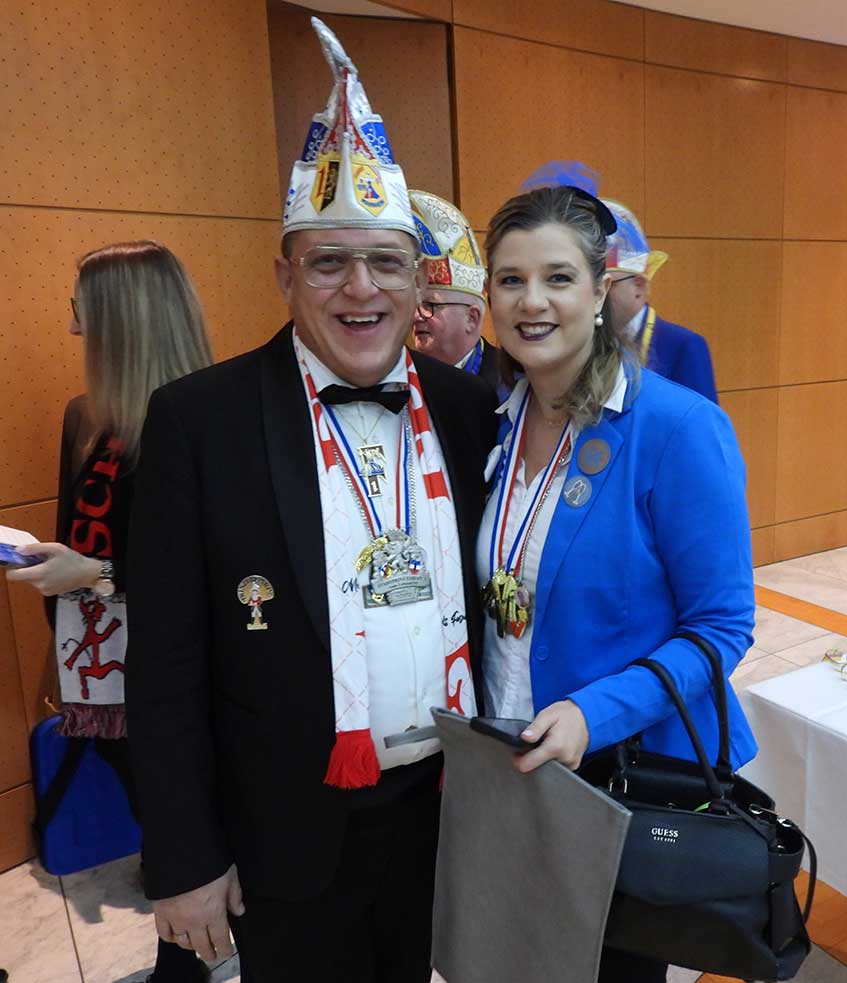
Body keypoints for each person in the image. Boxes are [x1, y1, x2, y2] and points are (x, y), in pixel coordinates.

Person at [124, 20, 496, 983]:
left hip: (445, 810)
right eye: (329, 261)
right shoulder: (197, 421)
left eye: (386, 261)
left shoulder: (469, 410)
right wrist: (183, 858)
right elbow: (162, 665)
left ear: (419, 283)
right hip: (285, 832)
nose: (359, 288)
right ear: (285, 276)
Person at [477, 184, 756, 983]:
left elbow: (723, 626)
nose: (532, 301)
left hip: (621, 771)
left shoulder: (676, 428)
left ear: (602, 290)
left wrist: (590, 713)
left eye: (558, 277)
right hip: (512, 756)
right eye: (511, 279)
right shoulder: (495, 426)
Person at [6, 240, 214, 983]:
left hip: (166, 666)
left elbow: (206, 570)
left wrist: (95, 572)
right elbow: (89, 525)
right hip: (96, 657)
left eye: (81, 308)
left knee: (181, 815)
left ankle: (183, 960)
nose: (71, 324)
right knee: (153, 808)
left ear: (125, 317)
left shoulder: (197, 423)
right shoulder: (88, 417)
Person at [603, 197, 718, 402]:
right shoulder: (587, 341)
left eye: (608, 285)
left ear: (639, 286)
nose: (597, 295)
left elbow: (703, 420)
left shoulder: (684, 345)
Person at [409, 189, 502, 394]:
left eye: (430, 305)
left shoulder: (512, 384)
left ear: (472, 318)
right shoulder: (400, 381)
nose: (416, 316)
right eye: (415, 304)